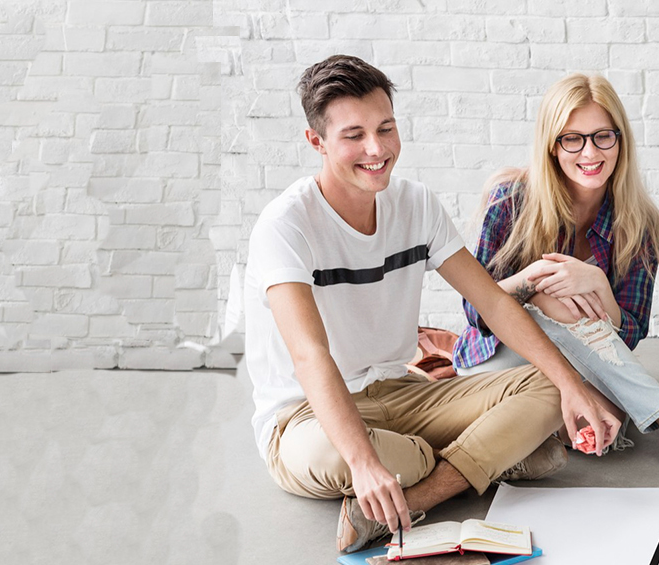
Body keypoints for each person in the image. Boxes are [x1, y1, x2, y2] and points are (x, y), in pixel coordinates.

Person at [244, 55, 621, 553]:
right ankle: (485, 455)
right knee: (334, 455)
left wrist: (572, 388)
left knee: (553, 386)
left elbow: (492, 302)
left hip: (401, 392)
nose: (376, 149)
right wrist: (362, 463)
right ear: (317, 142)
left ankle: (424, 487)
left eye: (385, 128)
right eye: (353, 135)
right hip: (306, 415)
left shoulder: (415, 204)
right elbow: (311, 356)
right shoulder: (285, 225)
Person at [452, 73, 659, 480]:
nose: (590, 151)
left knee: (608, 417)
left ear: (621, 141)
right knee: (549, 293)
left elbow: (629, 335)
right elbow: (474, 312)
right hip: (499, 362)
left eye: (603, 136)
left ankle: (535, 434)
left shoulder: (639, 223)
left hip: (582, 361)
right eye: (573, 138)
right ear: (552, 146)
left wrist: (600, 287)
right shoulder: (512, 200)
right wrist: (532, 279)